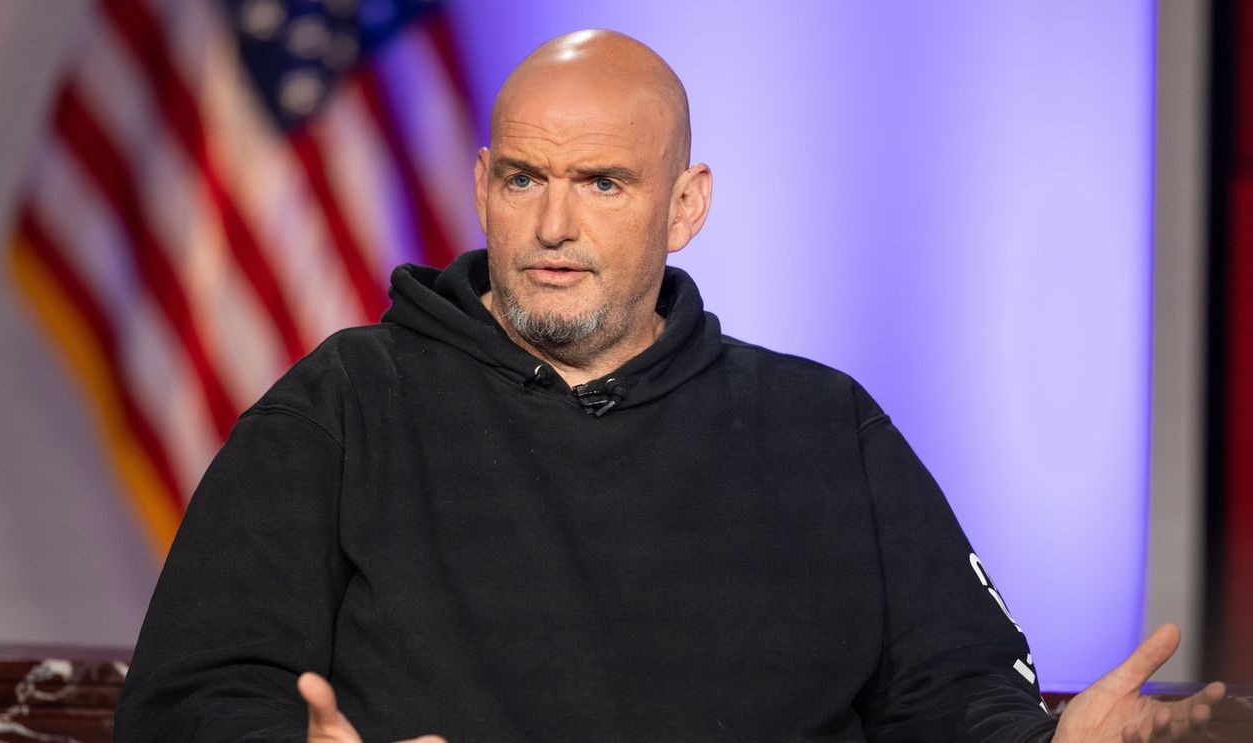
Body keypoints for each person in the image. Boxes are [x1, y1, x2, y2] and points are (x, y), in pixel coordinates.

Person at [114, 29, 1224, 743]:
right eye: (524, 179)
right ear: (482, 188)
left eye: (603, 182)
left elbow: (952, 689)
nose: (554, 224)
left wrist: (1045, 742)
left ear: (686, 206)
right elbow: (184, 702)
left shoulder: (821, 427)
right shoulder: (342, 408)